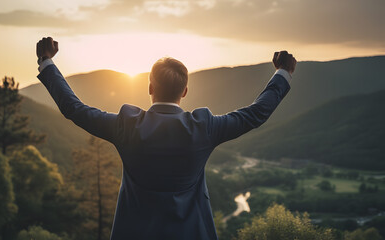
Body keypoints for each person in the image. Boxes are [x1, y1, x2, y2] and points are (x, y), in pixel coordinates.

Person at [36, 37, 296, 240]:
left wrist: (47, 61)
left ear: (150, 88)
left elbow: (75, 109)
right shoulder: (204, 128)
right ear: (185, 91)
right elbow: (255, 114)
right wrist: (283, 73)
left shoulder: (127, 127)